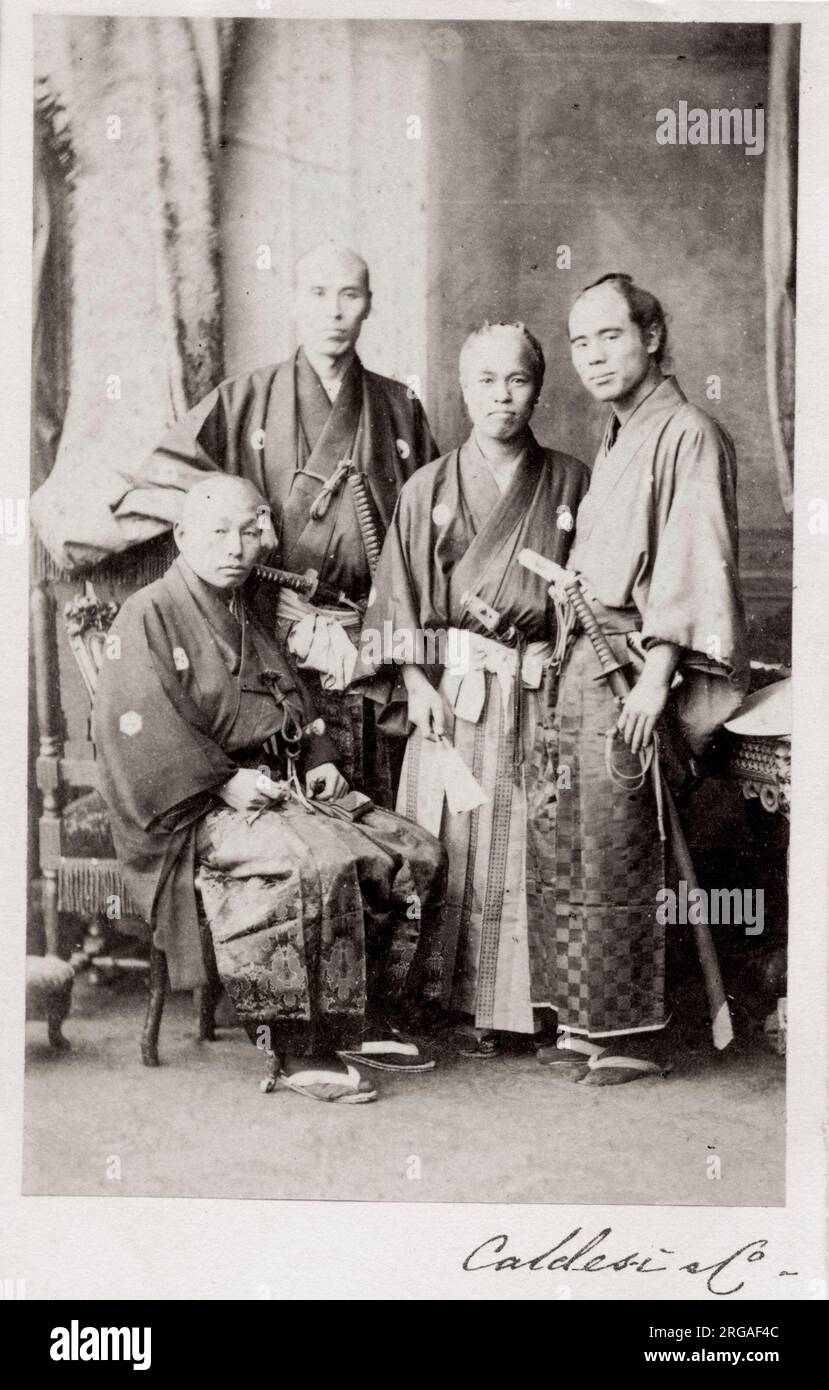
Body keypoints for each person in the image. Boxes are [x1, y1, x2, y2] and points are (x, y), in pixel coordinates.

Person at [93, 475, 448, 1103]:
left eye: (245, 532)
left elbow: (289, 696)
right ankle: (298, 1045)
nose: (234, 547)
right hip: (193, 808)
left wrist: (316, 755)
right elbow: (134, 729)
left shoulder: (241, 607)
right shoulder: (147, 613)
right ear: (182, 536)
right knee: (316, 864)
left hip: (278, 787)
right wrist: (224, 781)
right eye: (216, 533)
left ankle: (363, 1018)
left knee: (414, 851)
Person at [113, 241, 439, 806]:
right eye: (318, 293)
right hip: (271, 635)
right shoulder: (244, 399)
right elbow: (163, 479)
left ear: (369, 304)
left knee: (379, 810)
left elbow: (428, 530)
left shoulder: (399, 404)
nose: (333, 311)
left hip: (374, 640)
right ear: (294, 302)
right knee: (292, 812)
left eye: (349, 295)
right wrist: (236, 519)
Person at [525, 272, 749, 1086]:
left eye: (610, 336)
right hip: (588, 661)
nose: (592, 356)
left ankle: (635, 1032)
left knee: (626, 841)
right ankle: (587, 1021)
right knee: (579, 840)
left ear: (651, 337)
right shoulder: (619, 435)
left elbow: (693, 559)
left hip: (635, 669)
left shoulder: (687, 432)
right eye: (579, 342)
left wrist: (657, 677)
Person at [354, 322, 589, 1054]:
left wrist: (561, 647)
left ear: (537, 388)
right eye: (485, 381)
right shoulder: (428, 487)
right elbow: (397, 600)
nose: (502, 396)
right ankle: (446, 1000)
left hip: (538, 688)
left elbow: (595, 595)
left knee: (534, 839)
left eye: (517, 380)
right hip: (452, 689)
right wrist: (415, 681)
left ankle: (530, 1003)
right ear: (462, 389)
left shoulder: (571, 481)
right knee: (452, 835)